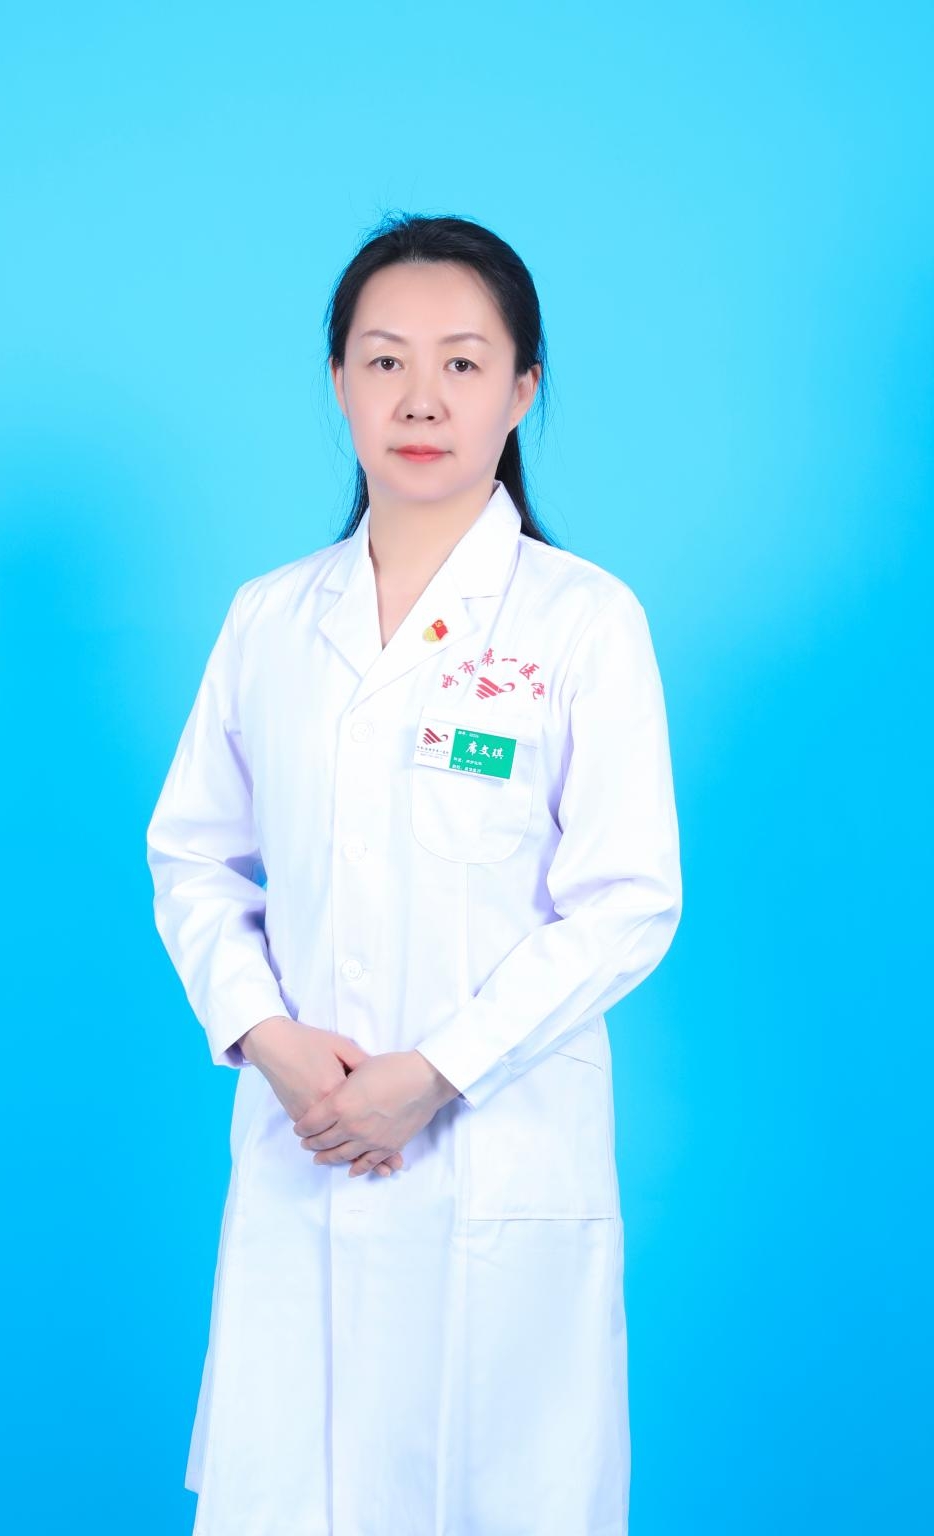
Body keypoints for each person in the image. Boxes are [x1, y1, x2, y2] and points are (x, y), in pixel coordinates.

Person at [146, 211, 683, 1536]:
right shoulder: (271, 619)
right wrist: (265, 1035)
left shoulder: (581, 621)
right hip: (304, 1146)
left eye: (462, 362)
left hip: (495, 1163)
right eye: (385, 361)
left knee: (496, 1493)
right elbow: (194, 855)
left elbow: (627, 901)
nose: (421, 399)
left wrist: (434, 1073)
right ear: (339, 382)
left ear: (523, 388)